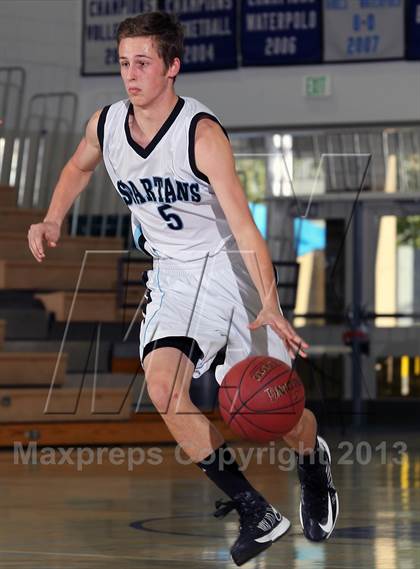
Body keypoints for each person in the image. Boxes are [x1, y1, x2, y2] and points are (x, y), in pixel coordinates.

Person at [27, 11, 338, 566]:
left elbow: (245, 226)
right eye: (124, 63)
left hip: (229, 269)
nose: (131, 74)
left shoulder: (202, 135)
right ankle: (256, 512)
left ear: (173, 66)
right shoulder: (106, 125)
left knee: (279, 416)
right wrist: (52, 217)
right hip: (172, 273)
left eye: (143, 62)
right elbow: (77, 168)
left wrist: (269, 302)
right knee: (163, 386)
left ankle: (313, 462)